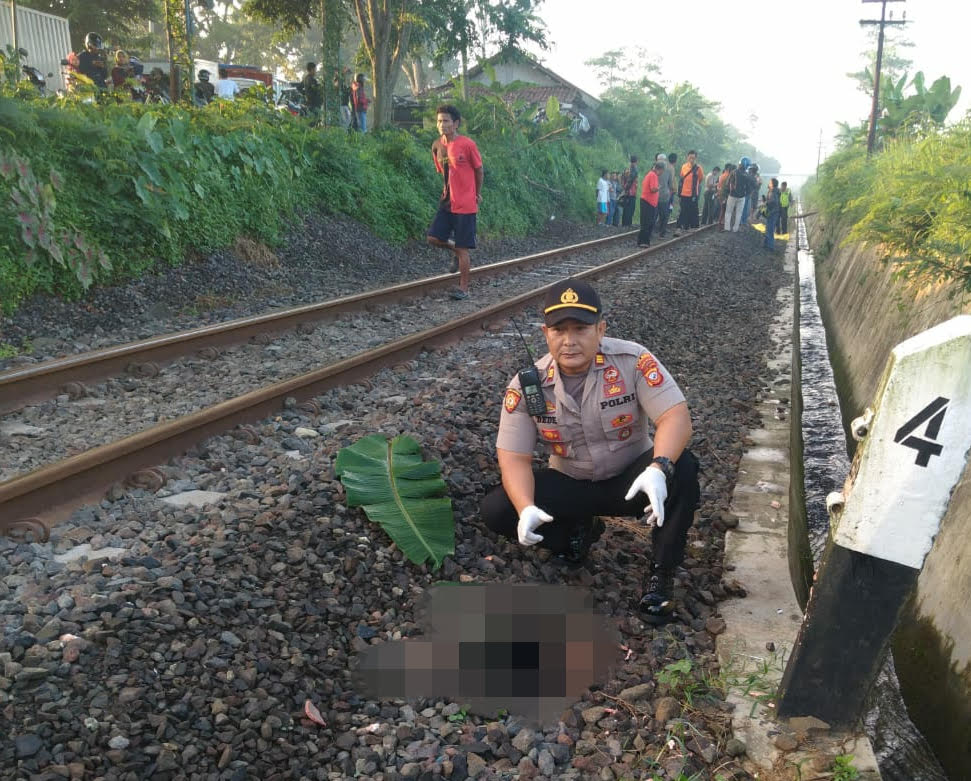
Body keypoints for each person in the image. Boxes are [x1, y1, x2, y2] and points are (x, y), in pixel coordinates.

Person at [481, 279, 700, 623]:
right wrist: (525, 508)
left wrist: (659, 467)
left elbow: (676, 417)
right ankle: (575, 535)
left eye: (580, 328)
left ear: (600, 329)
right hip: (573, 483)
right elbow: (514, 458)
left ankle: (661, 576)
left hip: (633, 481)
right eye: (559, 330)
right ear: (546, 333)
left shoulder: (633, 360)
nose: (569, 340)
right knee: (497, 507)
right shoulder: (527, 385)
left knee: (683, 468)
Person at [426, 105, 483, 300]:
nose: (442, 125)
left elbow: (478, 170)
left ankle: (464, 288)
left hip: (466, 203)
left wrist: (477, 193)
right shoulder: (436, 146)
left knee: (464, 247)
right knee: (433, 238)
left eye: (446, 121)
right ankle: (455, 251)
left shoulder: (467, 144)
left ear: (456, 123)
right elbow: (442, 171)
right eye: (439, 121)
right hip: (447, 201)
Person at [676, 150, 704, 231]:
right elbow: (681, 177)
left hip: (693, 194)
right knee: (683, 210)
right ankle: (680, 226)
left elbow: (701, 179)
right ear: (687, 157)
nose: (691, 159)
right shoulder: (684, 166)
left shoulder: (699, 168)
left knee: (692, 211)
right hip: (684, 193)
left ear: (696, 158)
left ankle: (691, 227)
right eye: (690, 157)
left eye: (693, 158)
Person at [637, 160, 663, 247]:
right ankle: (644, 242)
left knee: (645, 222)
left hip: (647, 202)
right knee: (647, 223)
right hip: (648, 202)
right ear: (660, 169)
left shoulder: (650, 174)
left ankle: (641, 241)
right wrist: (658, 188)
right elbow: (653, 189)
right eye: (662, 171)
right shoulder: (653, 175)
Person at [724, 158, 752, 232]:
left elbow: (727, 183)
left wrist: (727, 193)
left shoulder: (734, 172)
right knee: (739, 213)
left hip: (732, 195)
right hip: (742, 197)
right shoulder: (747, 175)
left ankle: (727, 228)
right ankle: (735, 229)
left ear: (740, 163)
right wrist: (746, 194)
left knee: (728, 212)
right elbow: (749, 188)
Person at [655, 153, 675, 238]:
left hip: (663, 196)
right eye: (660, 160)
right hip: (656, 195)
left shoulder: (667, 170)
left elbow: (670, 184)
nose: (662, 161)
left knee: (663, 215)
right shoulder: (654, 170)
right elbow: (670, 184)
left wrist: (671, 193)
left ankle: (661, 232)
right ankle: (658, 231)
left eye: (663, 160)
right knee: (658, 215)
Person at [620, 156, 639, 226]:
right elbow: (630, 180)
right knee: (630, 209)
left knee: (626, 209)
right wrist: (626, 188)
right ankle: (628, 224)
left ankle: (625, 224)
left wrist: (624, 188)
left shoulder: (627, 169)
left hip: (627, 192)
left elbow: (622, 178)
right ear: (636, 161)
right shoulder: (633, 169)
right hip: (631, 192)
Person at [763, 178, 781, 249]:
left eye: (770, 182)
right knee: (768, 228)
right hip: (773, 212)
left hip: (773, 212)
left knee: (770, 229)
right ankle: (766, 244)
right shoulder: (773, 191)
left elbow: (774, 201)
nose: (769, 183)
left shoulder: (773, 192)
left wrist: (766, 202)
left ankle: (770, 247)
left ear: (772, 184)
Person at [716, 163, 734, 228]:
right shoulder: (728, 176)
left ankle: (720, 224)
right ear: (729, 168)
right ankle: (721, 225)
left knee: (723, 210)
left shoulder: (722, 175)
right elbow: (728, 187)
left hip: (721, 195)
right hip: (725, 196)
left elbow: (719, 186)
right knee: (724, 211)